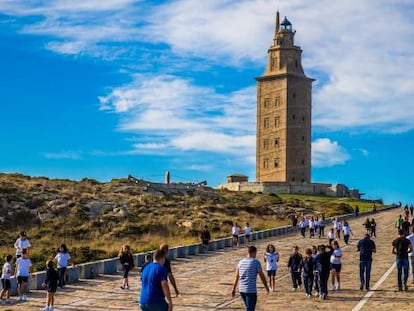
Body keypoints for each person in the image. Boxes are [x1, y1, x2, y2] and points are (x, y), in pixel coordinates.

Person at [231, 246, 269, 311]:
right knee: (250, 309)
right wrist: (266, 286)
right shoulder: (256, 262)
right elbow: (261, 276)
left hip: (241, 289)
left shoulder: (240, 262)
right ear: (254, 252)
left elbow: (237, 276)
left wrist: (233, 289)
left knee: (249, 308)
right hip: (250, 290)